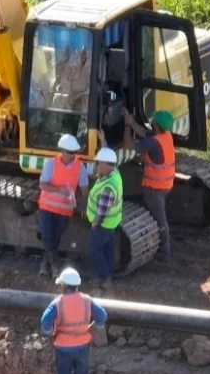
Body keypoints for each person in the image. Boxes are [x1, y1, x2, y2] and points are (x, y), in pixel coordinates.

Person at [40, 267, 107, 374]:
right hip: (83, 347)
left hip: (63, 348)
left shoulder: (58, 302)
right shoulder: (87, 300)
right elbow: (102, 316)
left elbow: (45, 321)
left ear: (64, 286)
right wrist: (95, 327)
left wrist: (48, 333)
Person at [36, 133, 89, 277]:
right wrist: (59, 190)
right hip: (47, 208)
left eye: (74, 153)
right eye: (70, 152)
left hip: (64, 211)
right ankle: (54, 266)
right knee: (47, 237)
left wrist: (76, 197)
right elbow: (43, 185)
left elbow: (84, 190)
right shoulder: (50, 164)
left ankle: (45, 264)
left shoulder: (80, 167)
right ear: (63, 151)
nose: (73, 155)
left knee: (54, 239)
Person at [126, 110, 175, 262]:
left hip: (155, 188)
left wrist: (127, 126)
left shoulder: (154, 143)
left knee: (160, 219)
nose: (151, 121)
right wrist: (132, 122)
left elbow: (129, 146)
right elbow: (144, 133)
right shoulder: (165, 137)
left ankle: (164, 252)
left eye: (153, 120)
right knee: (158, 216)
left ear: (156, 125)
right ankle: (161, 243)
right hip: (165, 185)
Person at [85, 147, 122, 290]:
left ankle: (105, 278)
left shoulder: (108, 188)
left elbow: (102, 210)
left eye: (98, 163)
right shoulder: (115, 173)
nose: (96, 166)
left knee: (94, 250)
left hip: (103, 224)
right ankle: (108, 275)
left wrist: (95, 223)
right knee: (107, 249)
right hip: (112, 223)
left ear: (106, 165)